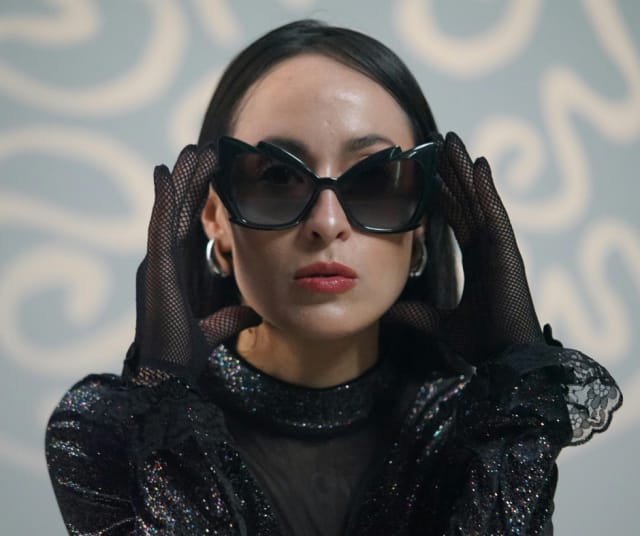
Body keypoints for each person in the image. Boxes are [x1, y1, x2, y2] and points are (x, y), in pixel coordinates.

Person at [45, 19, 621, 535]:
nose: (326, 223)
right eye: (276, 176)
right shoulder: (105, 432)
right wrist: (160, 403)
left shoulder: (480, 429)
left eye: (374, 179)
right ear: (216, 216)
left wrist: (513, 391)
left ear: (422, 219)